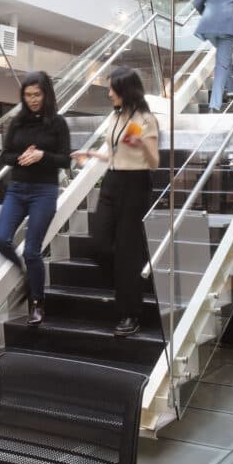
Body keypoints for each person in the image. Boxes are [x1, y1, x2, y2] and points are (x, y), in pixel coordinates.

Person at [72, 67, 159, 337]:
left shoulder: (146, 119)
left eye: (112, 89)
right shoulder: (115, 116)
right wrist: (90, 154)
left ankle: (130, 314)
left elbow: (154, 163)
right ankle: (128, 283)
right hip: (112, 182)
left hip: (136, 185)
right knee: (98, 244)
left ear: (125, 90)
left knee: (128, 253)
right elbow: (113, 156)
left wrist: (142, 143)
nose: (109, 93)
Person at [0, 71, 70, 326]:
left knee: (32, 251)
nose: (32, 99)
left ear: (46, 94)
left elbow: (66, 159)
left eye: (37, 94)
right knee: (1, 239)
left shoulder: (57, 123)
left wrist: (41, 156)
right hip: (18, 189)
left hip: (43, 191)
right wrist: (20, 157)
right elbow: (5, 156)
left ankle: (37, 302)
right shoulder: (17, 122)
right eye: (27, 95)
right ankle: (26, 276)